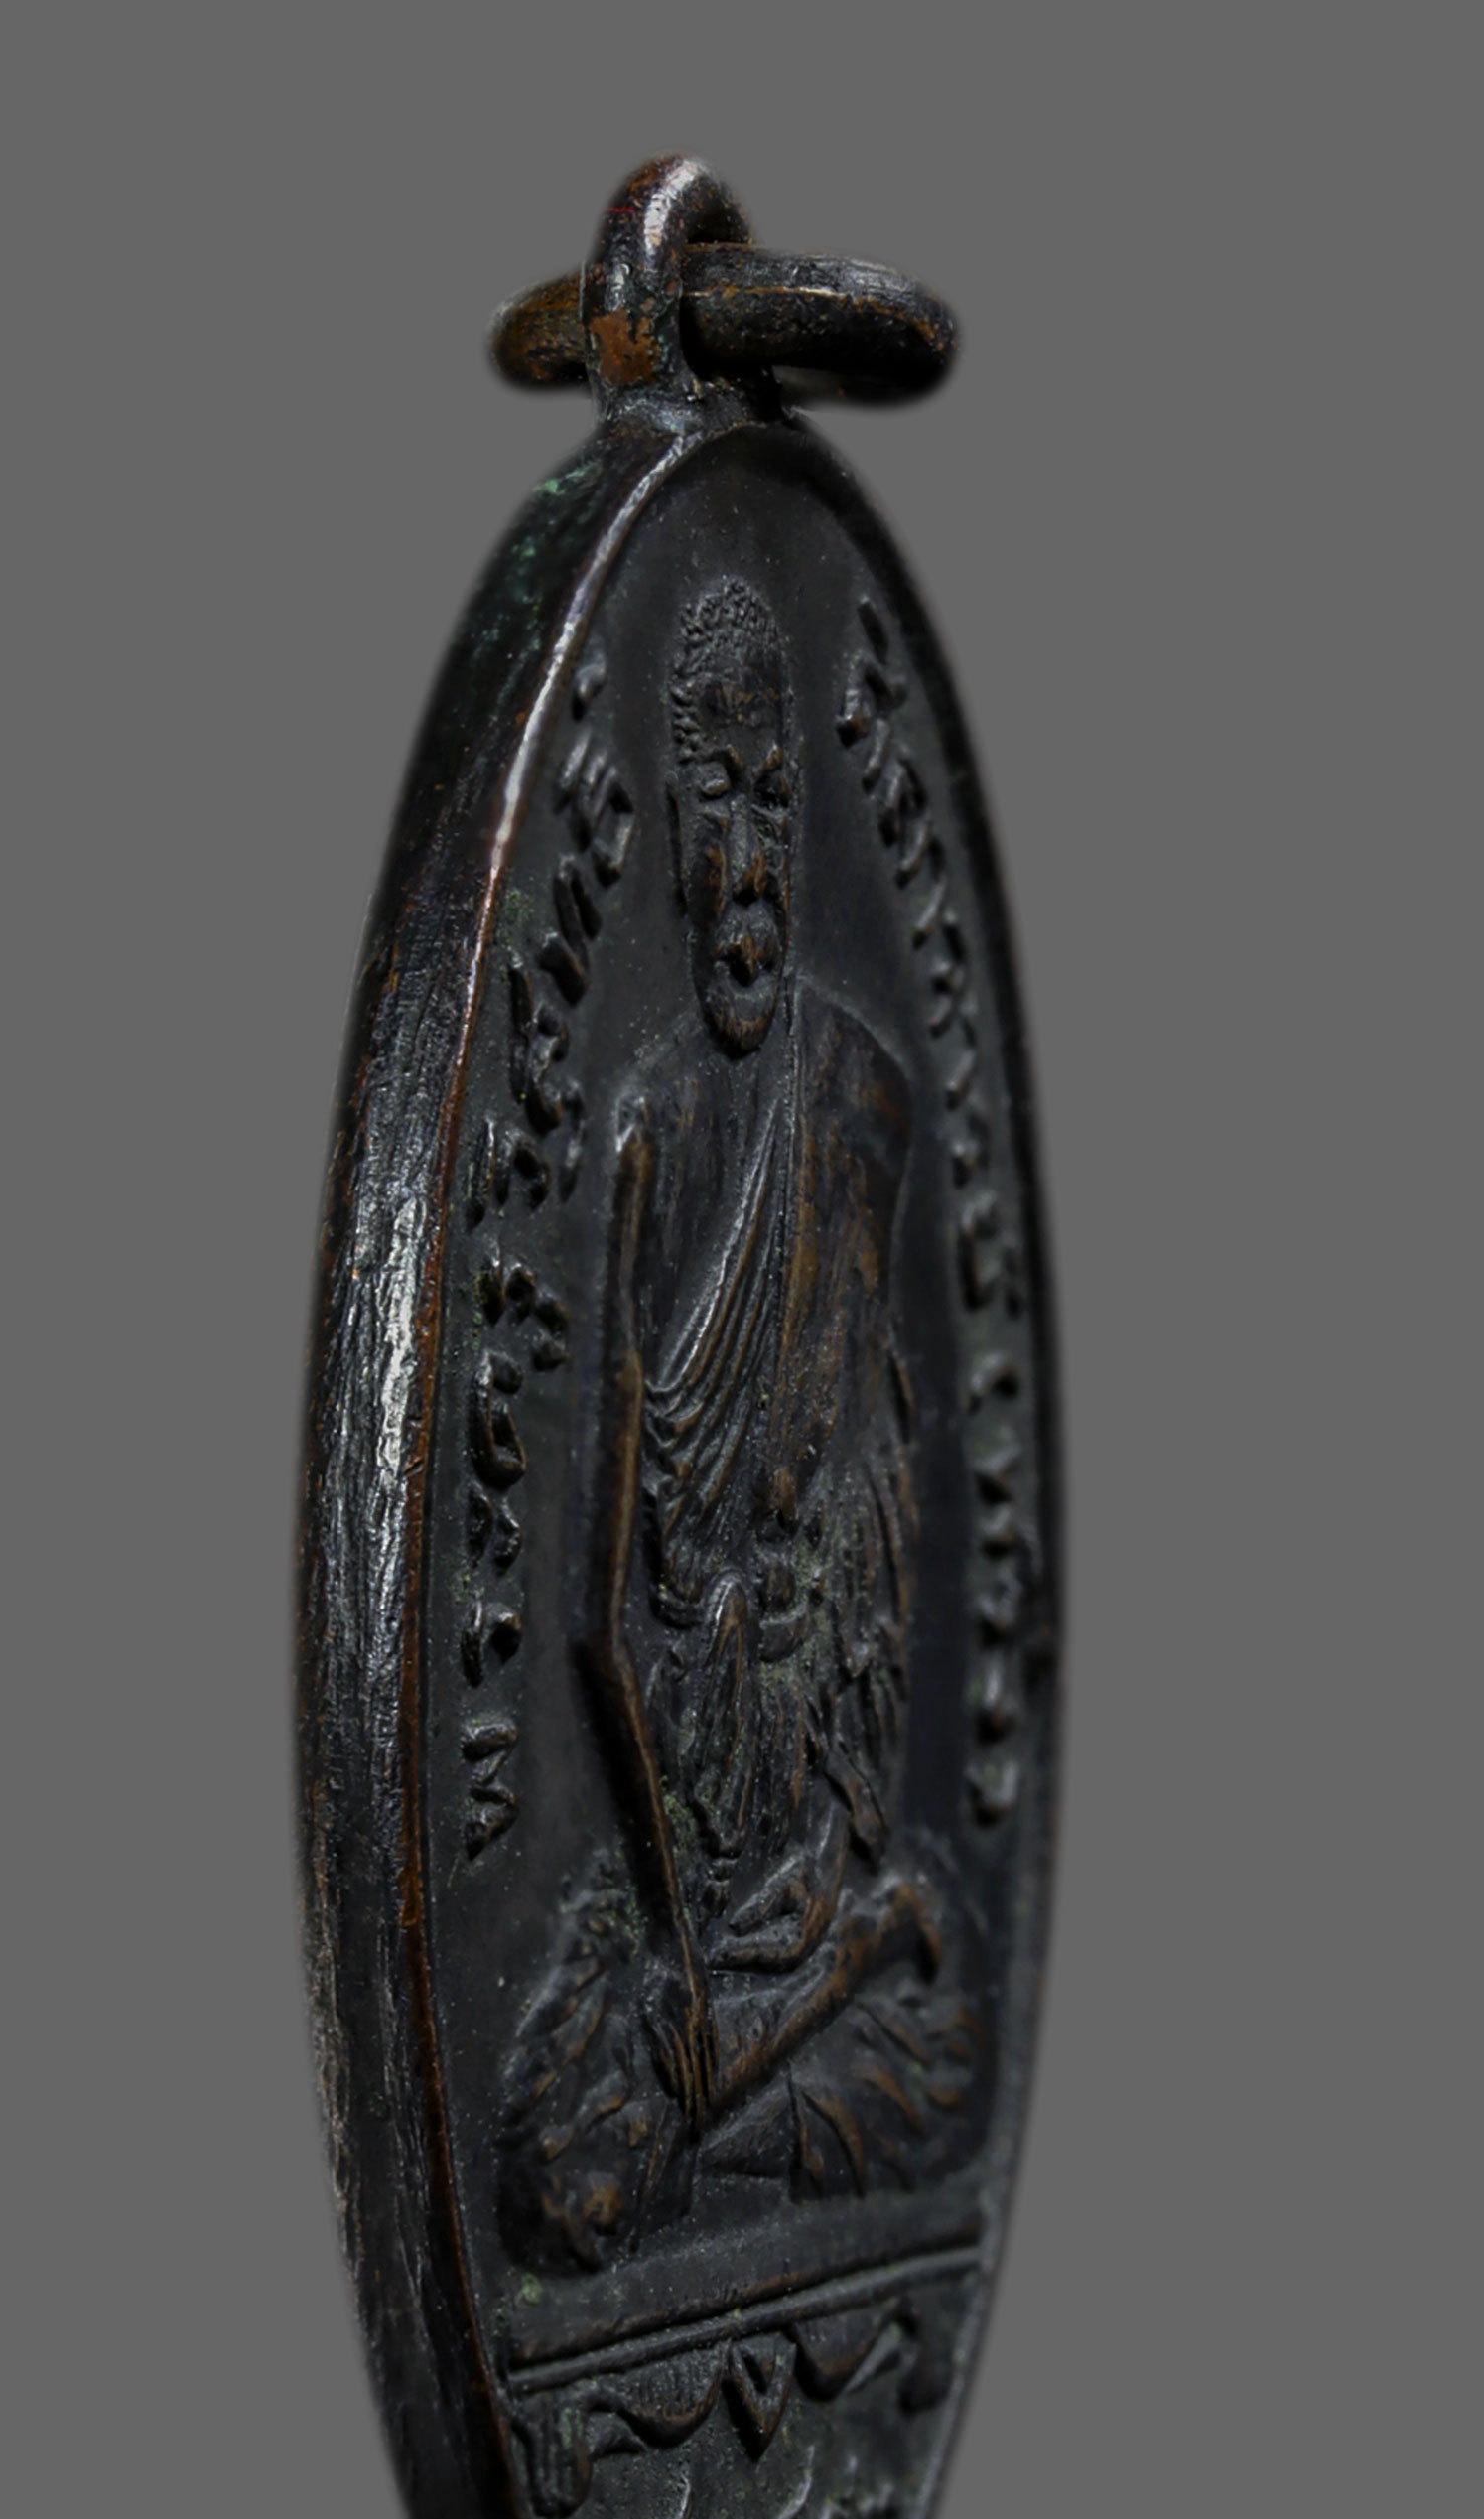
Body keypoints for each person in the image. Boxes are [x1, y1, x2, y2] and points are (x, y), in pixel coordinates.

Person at [500, 579, 988, 2273]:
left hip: (808, 1812)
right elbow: (590, 1616)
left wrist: (835, 1841)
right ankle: (764, 2063)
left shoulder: (863, 1105)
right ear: (674, 843)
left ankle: (755, 2081)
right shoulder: (646, 1132)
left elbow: (886, 1511)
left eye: (779, 803)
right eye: (720, 807)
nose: (759, 860)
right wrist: (686, 1949)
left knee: (952, 2065)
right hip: (681, 1838)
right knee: (555, 2182)